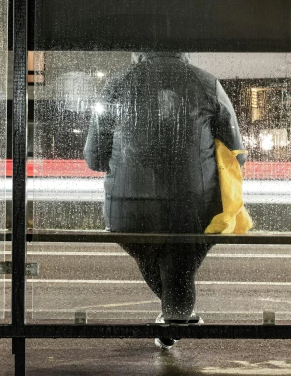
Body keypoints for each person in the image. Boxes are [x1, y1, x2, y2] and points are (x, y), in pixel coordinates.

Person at [84, 52, 244, 349]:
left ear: (138, 50)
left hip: (128, 209)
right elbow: (239, 153)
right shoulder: (207, 83)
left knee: (154, 257)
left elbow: (94, 158)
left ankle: (176, 317)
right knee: (180, 265)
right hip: (195, 209)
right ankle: (177, 318)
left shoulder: (117, 84)